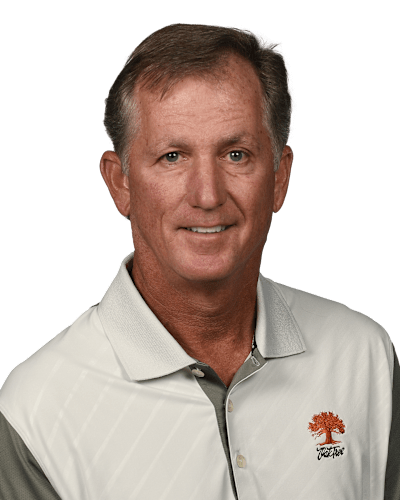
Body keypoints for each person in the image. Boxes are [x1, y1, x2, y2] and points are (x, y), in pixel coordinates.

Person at [0, 23, 398, 500]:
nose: (207, 195)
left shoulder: (364, 358)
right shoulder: (36, 408)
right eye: (172, 157)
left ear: (279, 178)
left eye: (236, 154)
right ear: (120, 182)